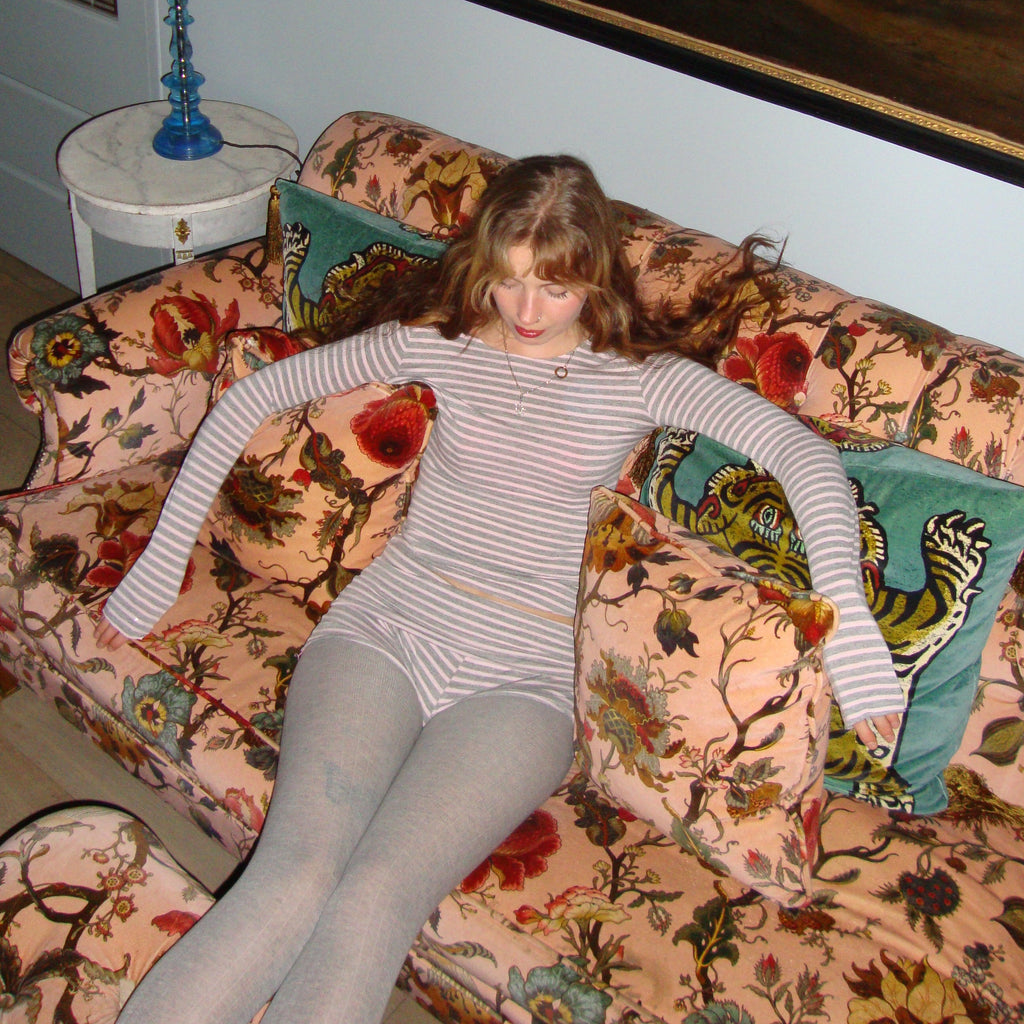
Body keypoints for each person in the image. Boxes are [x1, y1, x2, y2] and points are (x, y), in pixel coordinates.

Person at [96, 153, 903, 1024]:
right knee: (294, 875)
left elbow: (805, 459)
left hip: (525, 681)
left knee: (372, 901)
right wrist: (159, 562)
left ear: (593, 277)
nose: (526, 311)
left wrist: (852, 631)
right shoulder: (440, 342)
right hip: (389, 629)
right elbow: (250, 398)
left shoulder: (642, 378)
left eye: (554, 288)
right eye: (509, 280)